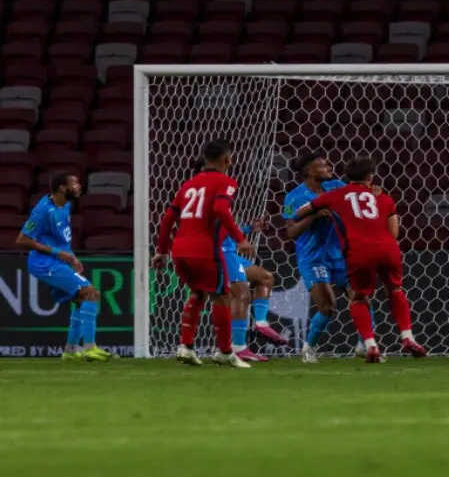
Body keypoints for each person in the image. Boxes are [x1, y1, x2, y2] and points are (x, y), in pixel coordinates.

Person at [295, 157, 427, 363]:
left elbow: (299, 213)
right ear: (370, 176)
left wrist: (322, 210)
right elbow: (394, 232)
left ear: (347, 176)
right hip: (388, 249)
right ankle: (408, 337)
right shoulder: (383, 197)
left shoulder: (335, 193)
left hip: (358, 252)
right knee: (395, 290)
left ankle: (370, 345)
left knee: (358, 298)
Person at [153, 139, 255, 369]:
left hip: (180, 251)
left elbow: (167, 219)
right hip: (206, 250)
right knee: (222, 297)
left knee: (198, 293)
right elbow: (220, 209)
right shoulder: (226, 181)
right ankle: (225, 352)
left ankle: (186, 346)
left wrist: (161, 251)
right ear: (227, 159)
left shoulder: (188, 184)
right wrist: (240, 237)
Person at [16, 173, 113, 361]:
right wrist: (56, 252)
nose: (79, 186)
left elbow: (61, 239)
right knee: (91, 293)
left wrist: (71, 257)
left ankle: (70, 351)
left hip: (58, 261)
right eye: (74, 183)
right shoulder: (43, 210)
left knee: (81, 298)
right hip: (43, 263)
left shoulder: (66, 205)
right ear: (62, 187)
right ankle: (90, 348)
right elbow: (22, 239)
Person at [283, 151, 367, 363]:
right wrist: (314, 215)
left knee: (361, 297)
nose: (329, 167)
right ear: (311, 172)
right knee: (327, 307)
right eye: (323, 165)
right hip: (313, 257)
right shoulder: (293, 197)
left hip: (340, 254)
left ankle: (364, 345)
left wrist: (370, 191)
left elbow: (355, 196)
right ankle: (309, 348)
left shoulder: (336, 186)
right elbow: (291, 232)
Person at [221, 218, 278, 363]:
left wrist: (248, 229)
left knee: (266, 278)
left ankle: (261, 323)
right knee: (241, 295)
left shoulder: (221, 208)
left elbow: (224, 227)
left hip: (231, 253)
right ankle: (238, 347)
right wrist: (241, 239)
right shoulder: (218, 206)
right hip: (222, 253)